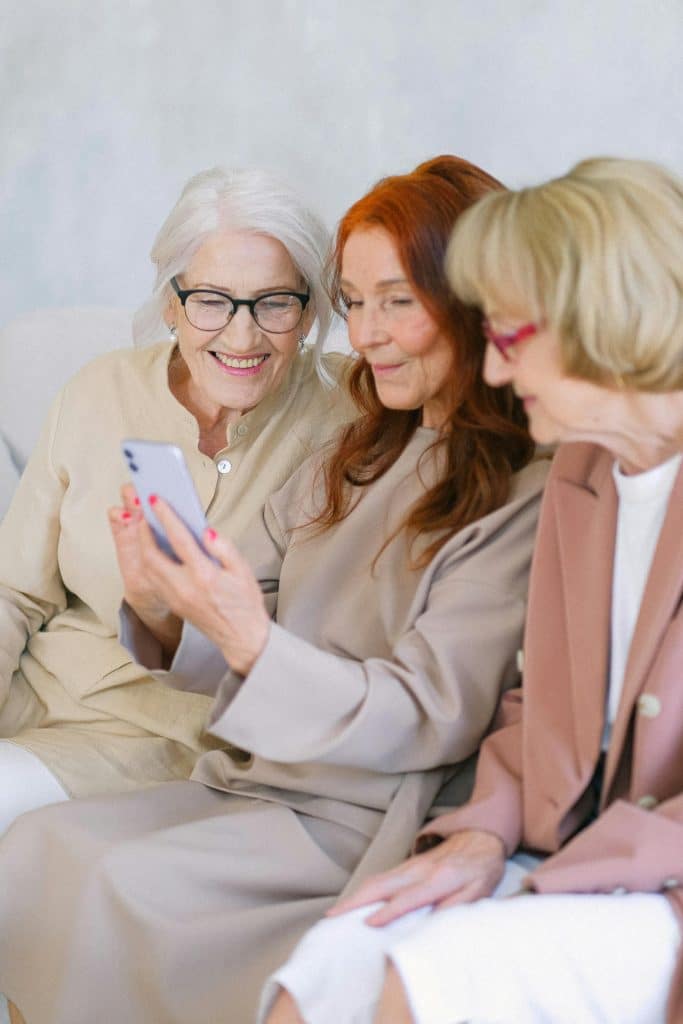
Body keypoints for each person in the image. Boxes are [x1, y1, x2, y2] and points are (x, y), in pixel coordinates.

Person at [0, 155, 548, 1024]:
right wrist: (157, 598)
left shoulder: (524, 486)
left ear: (472, 301)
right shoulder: (363, 448)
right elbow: (237, 593)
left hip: (362, 806)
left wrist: (246, 638)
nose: (364, 333)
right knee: (35, 846)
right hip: (262, 774)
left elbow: (428, 711)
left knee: (114, 879)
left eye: (395, 300)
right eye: (356, 301)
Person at [261, 156, 683, 1024]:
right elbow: (538, 703)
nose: (491, 373)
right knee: (331, 963)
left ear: (601, 316)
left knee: (434, 975)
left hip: (652, 874)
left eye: (510, 338)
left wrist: (568, 878)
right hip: (565, 854)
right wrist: (482, 834)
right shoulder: (583, 473)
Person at [0, 165, 356, 835]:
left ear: (310, 310)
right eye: (212, 300)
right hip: (30, 697)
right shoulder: (98, 390)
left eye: (275, 301)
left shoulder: (351, 418)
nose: (242, 337)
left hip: (163, 746)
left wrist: (165, 609)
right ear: (171, 303)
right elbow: (13, 592)